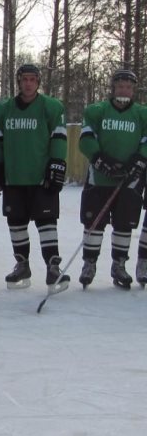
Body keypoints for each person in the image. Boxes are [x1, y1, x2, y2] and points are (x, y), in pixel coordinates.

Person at [0, 63, 69, 291]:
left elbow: (59, 139)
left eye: (33, 79)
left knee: (46, 223)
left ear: (38, 82)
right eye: (24, 79)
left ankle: (53, 266)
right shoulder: (4, 110)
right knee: (16, 223)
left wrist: (57, 164)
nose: (28, 83)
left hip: (40, 177)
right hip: (14, 177)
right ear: (18, 81)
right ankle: (22, 265)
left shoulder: (51, 107)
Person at [78, 69, 147, 289]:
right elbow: (86, 139)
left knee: (123, 225)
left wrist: (138, 161)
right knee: (94, 223)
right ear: (113, 87)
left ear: (133, 89)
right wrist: (100, 160)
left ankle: (119, 265)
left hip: (129, 180)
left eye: (128, 86)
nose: (124, 89)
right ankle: (89, 264)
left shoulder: (142, 113)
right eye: (120, 85)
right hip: (99, 178)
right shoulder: (97, 110)